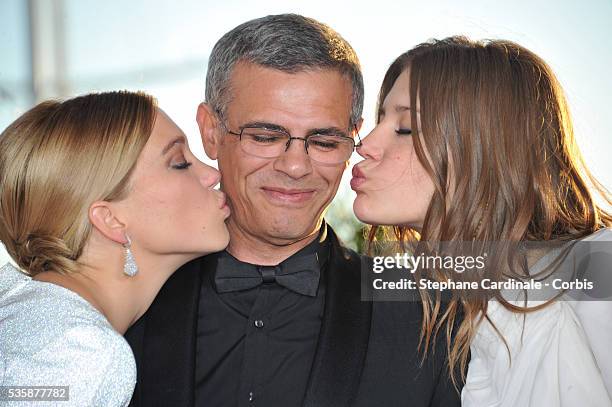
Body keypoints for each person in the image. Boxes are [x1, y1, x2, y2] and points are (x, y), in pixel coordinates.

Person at [125, 14, 461, 407]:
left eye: (324, 141)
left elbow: (538, 277)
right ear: (211, 132)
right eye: (266, 136)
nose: (296, 166)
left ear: (354, 137)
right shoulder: (127, 298)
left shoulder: (428, 306)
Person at [351, 36, 612, 406]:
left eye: (405, 127)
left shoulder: (600, 271)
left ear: (485, 144)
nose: (365, 145)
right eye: (380, 119)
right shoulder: (461, 305)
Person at [0, 91, 230, 406]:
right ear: (111, 220)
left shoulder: (36, 319)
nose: (212, 174)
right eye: (179, 163)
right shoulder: (80, 352)